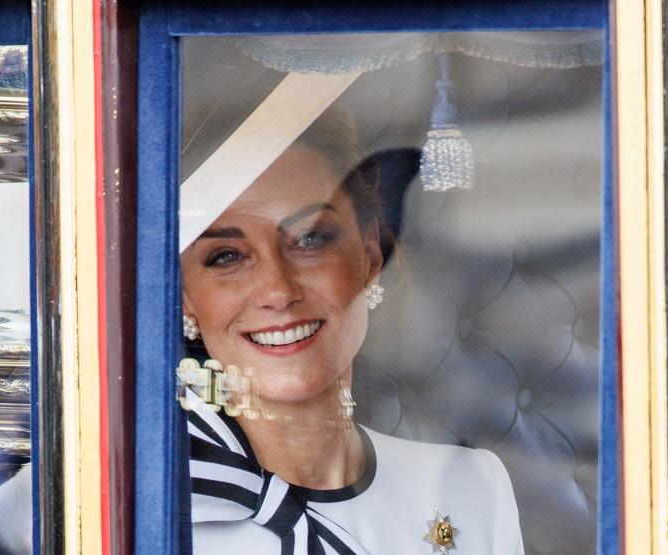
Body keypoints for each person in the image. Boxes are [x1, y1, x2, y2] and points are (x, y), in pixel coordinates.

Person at [179, 110, 524, 554]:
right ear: (187, 296)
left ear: (369, 255)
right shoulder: (150, 515)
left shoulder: (471, 487)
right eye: (226, 257)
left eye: (309, 239)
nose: (278, 291)